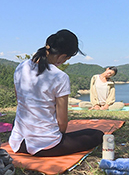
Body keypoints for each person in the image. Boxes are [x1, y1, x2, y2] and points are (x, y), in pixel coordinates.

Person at [9, 29, 104, 157]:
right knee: (98, 135)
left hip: (18, 143)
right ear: (63, 56)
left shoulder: (21, 66)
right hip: (45, 146)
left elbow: (20, 101)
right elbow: (62, 122)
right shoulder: (60, 76)